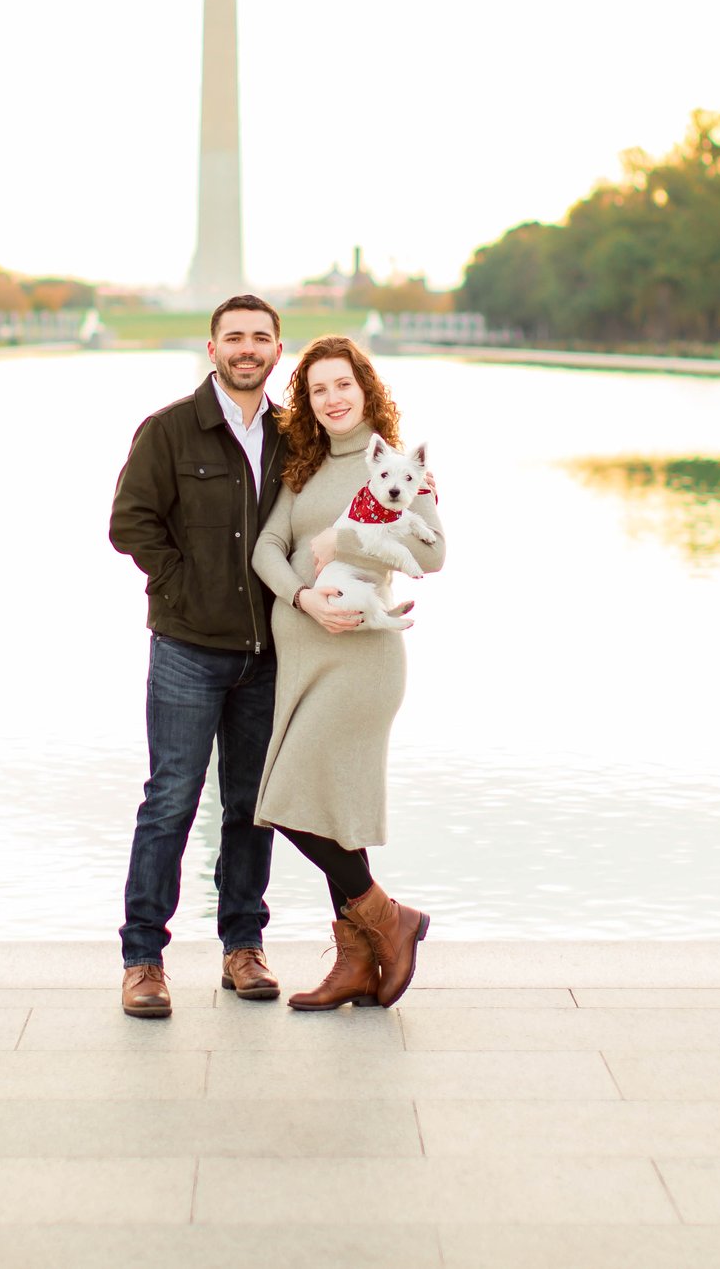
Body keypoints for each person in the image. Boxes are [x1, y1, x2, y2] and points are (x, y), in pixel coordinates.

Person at [106, 295, 290, 1017]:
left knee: (251, 805)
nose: (247, 348)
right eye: (234, 337)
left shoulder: (291, 435)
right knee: (172, 800)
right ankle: (144, 958)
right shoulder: (169, 431)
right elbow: (130, 523)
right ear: (212, 348)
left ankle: (243, 947)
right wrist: (182, 587)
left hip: (267, 653)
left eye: (260, 338)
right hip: (187, 648)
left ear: (279, 350)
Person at [251, 336, 445, 1009]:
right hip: (305, 656)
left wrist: (345, 541)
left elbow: (437, 550)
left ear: (366, 388)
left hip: (362, 661)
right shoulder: (300, 466)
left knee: (289, 798)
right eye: (319, 388)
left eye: (344, 384)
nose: (333, 398)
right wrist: (301, 595)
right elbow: (267, 548)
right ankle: (357, 962)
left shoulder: (396, 465)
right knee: (330, 811)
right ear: (307, 400)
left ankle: (388, 917)